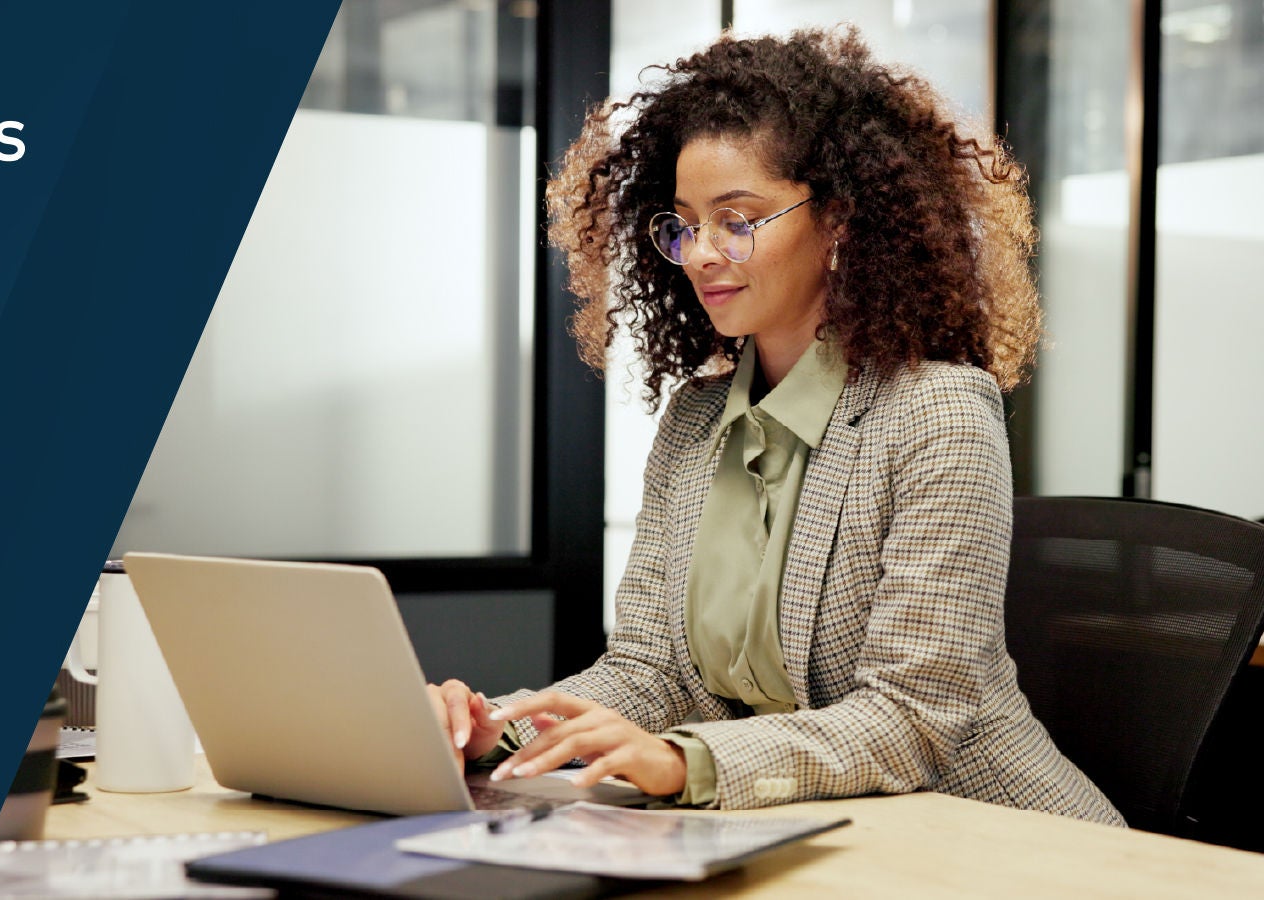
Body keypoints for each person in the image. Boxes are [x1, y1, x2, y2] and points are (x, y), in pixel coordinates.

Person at [428, 26, 1123, 824]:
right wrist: (497, 727)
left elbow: (913, 719)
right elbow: (650, 671)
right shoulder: (695, 420)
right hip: (810, 831)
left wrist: (687, 760)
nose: (699, 254)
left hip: (993, 837)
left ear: (839, 223)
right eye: (683, 223)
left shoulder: (938, 412)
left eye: (739, 219)